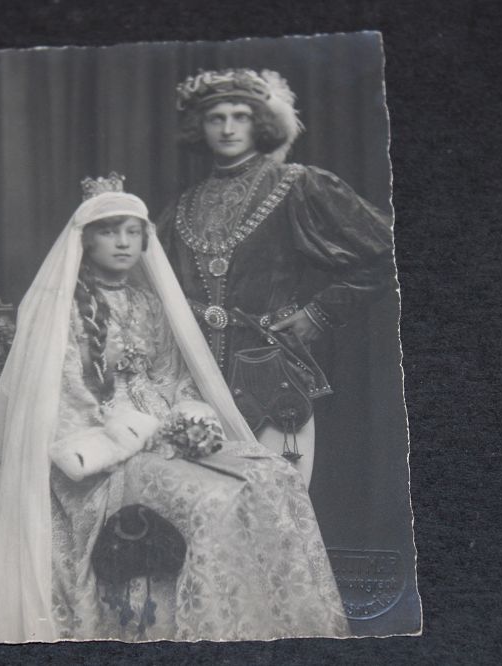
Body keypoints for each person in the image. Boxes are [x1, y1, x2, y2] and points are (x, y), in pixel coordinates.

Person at [0, 175, 349, 642]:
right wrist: (134, 431)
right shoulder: (58, 309)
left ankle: (273, 629)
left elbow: (175, 377)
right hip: (99, 445)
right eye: (109, 232)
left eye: (132, 232)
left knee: (275, 476)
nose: (123, 243)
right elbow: (61, 396)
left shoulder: (149, 305)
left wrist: (187, 420)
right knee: (211, 499)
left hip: (164, 432)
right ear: (86, 240)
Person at [156, 69, 395, 485]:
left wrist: (319, 313)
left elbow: (385, 254)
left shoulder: (297, 184)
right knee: (205, 505)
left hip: (271, 373)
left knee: (277, 500)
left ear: (262, 123)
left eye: (241, 116)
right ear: (200, 126)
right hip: (192, 379)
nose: (228, 128)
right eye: (215, 118)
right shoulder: (182, 205)